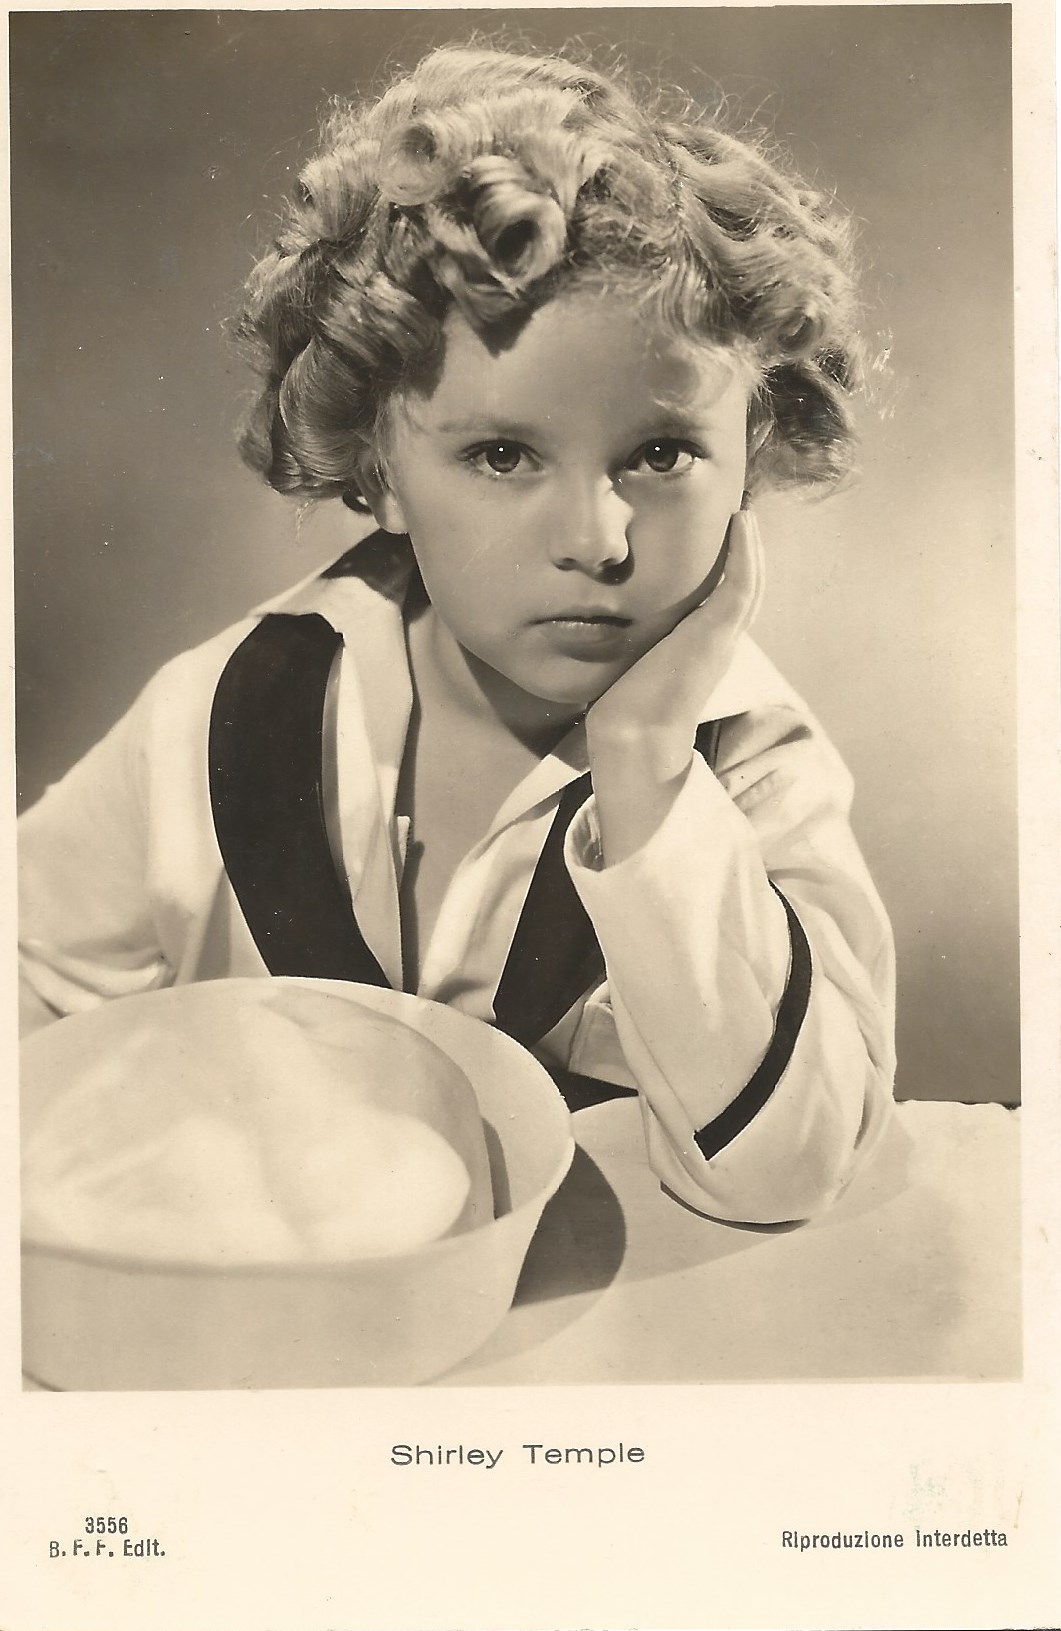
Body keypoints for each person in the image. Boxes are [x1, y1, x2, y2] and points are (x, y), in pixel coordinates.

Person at [17, 42, 896, 1225]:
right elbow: (29, 980)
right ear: (377, 468)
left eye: (659, 453)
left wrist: (644, 767)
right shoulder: (227, 710)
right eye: (502, 455)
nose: (596, 538)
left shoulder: (754, 772)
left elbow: (785, 1171)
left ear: (752, 453)